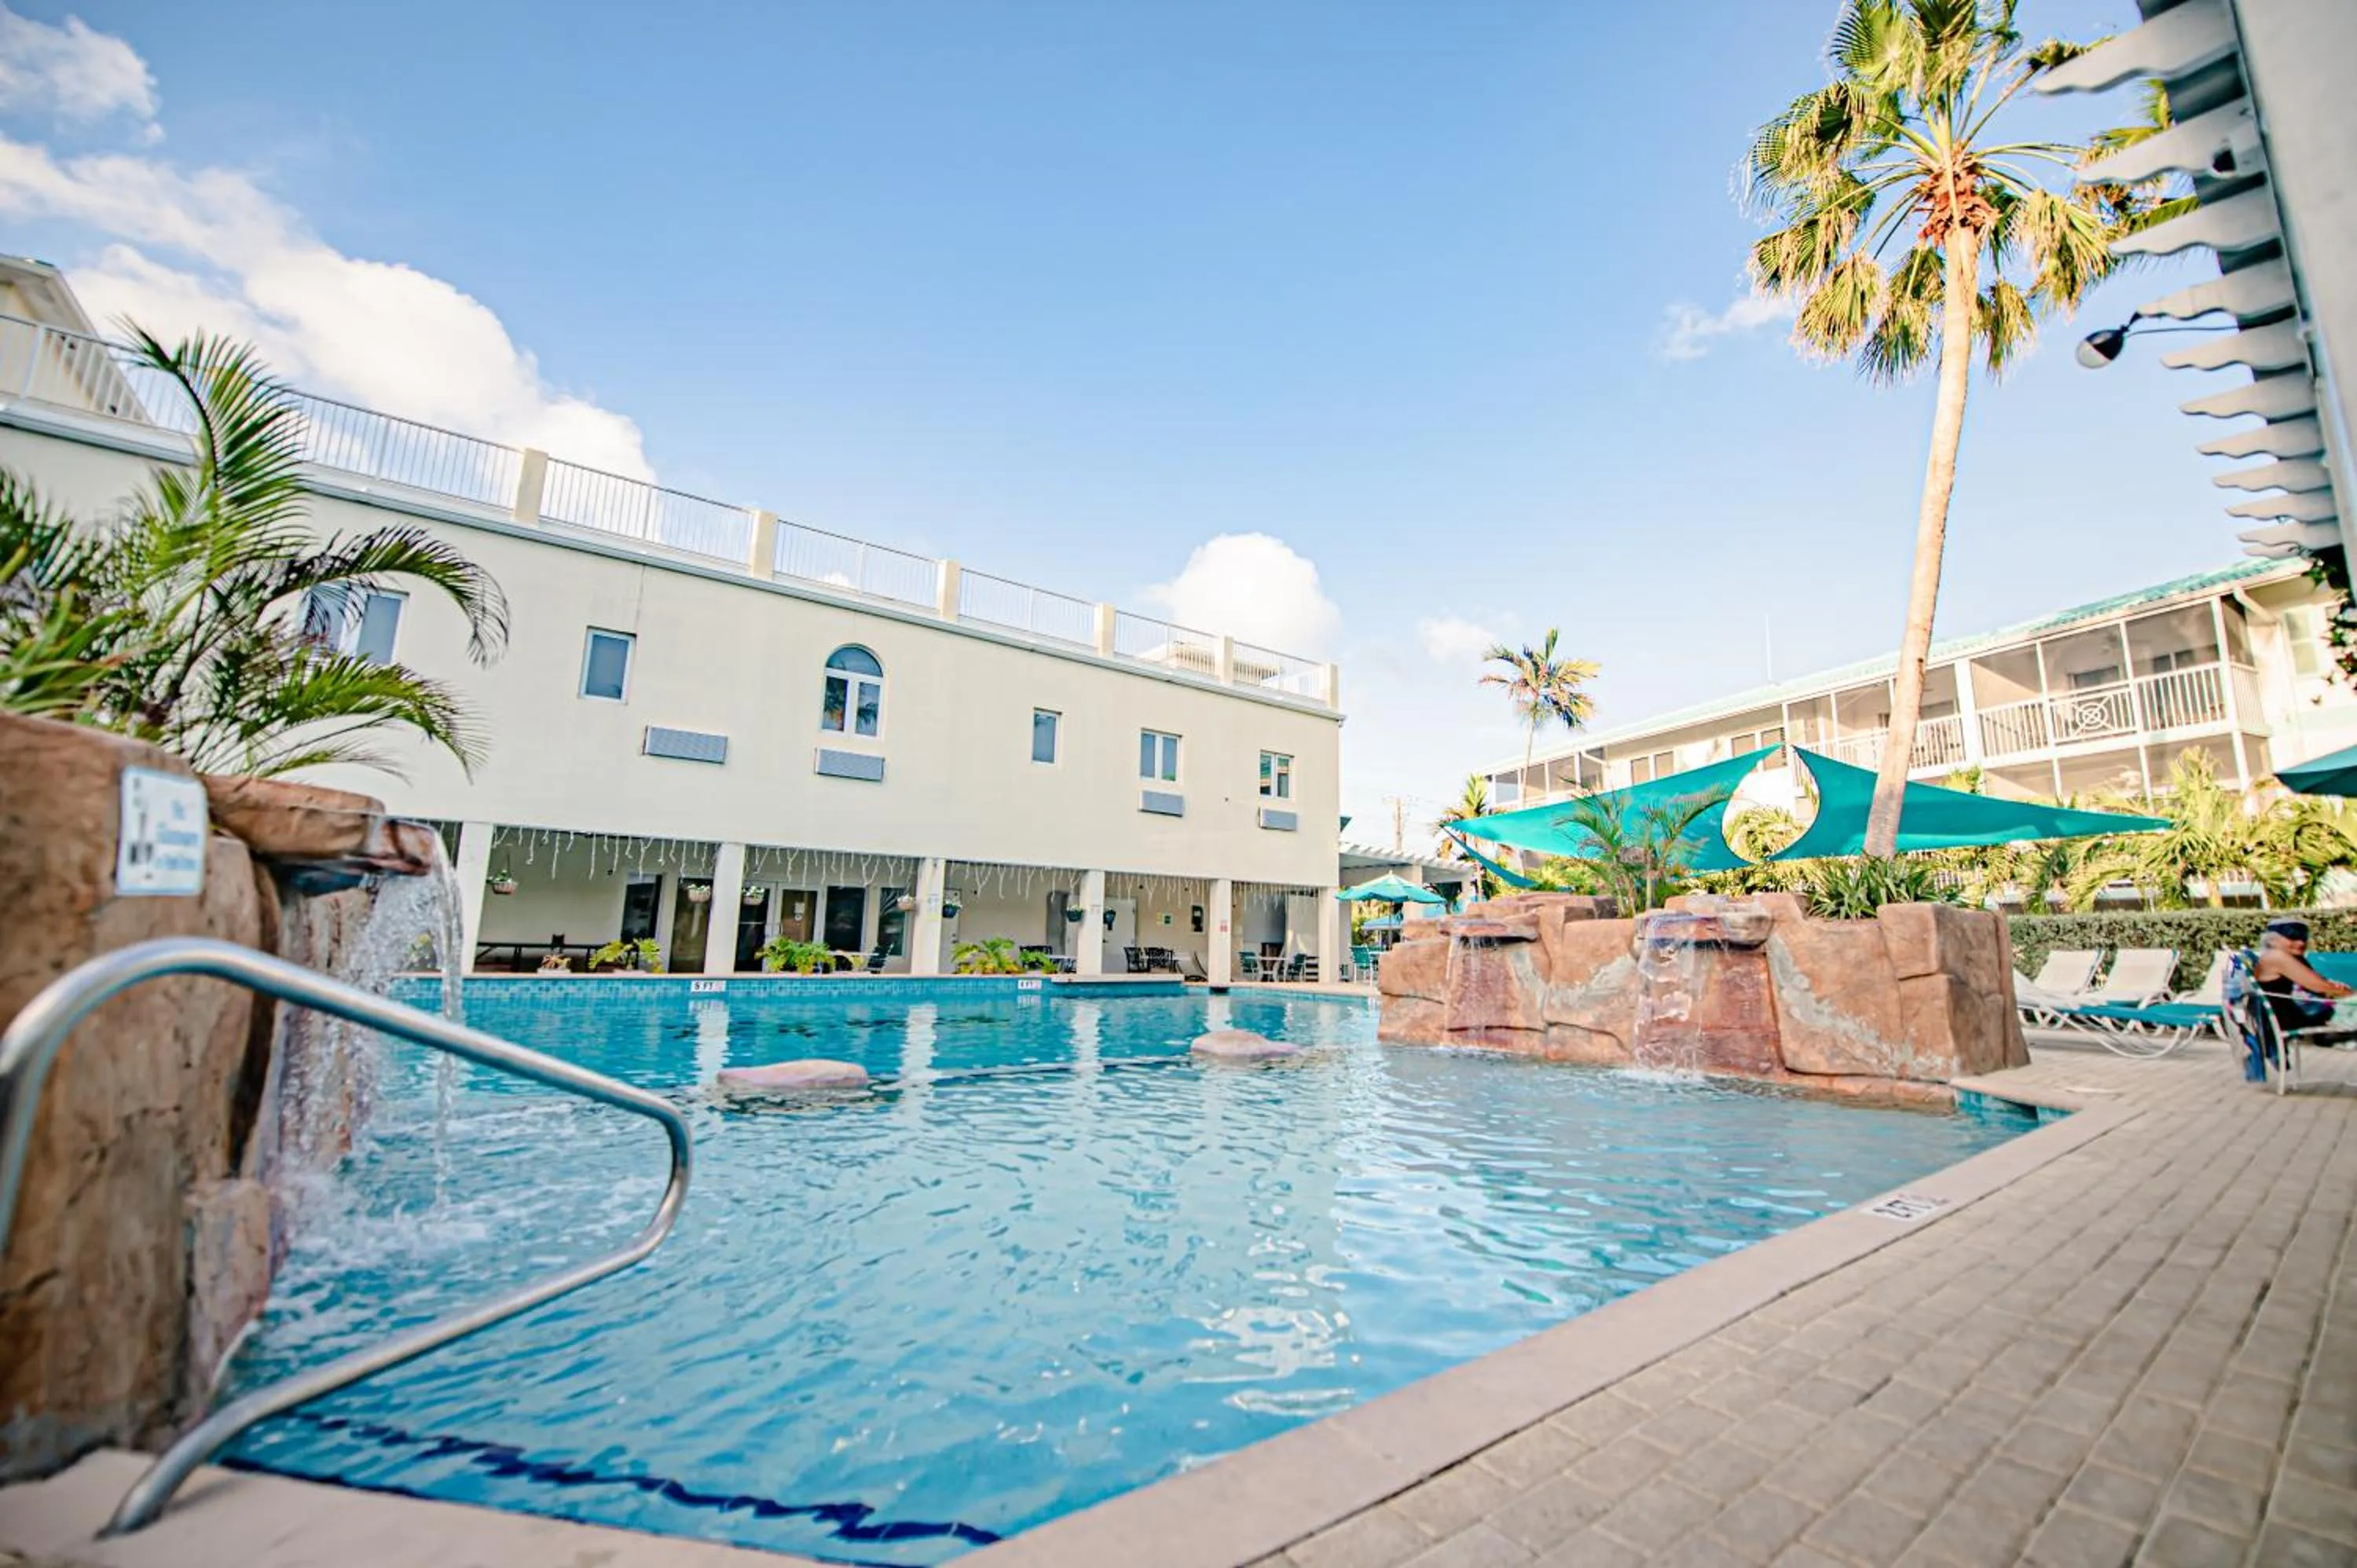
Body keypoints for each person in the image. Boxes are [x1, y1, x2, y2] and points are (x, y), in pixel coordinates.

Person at [2254, 917, 2354, 1035]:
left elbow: (2321, 985)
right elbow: (2320, 986)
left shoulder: (2287, 957)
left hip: (2294, 1014)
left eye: (2303, 937)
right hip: (2292, 1020)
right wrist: (2351, 994)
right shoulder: (2276, 956)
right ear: (2272, 940)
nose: (2301, 942)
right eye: (2292, 937)